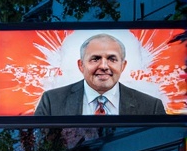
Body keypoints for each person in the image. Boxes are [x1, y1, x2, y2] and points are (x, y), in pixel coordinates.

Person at [34, 33, 166, 116]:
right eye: (95, 59)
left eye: (112, 59)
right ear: (81, 65)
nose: (103, 66)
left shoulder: (151, 107)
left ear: (123, 66)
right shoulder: (52, 102)